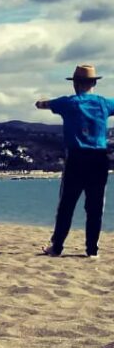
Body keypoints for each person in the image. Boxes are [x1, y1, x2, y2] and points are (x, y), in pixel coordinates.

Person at [38, 65, 114, 259]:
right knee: (95, 207)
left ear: (75, 83)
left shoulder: (68, 103)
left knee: (67, 205)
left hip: (77, 158)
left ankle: (56, 248)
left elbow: (43, 104)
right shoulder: (105, 104)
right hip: (99, 158)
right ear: (94, 83)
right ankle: (92, 251)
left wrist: (40, 103)